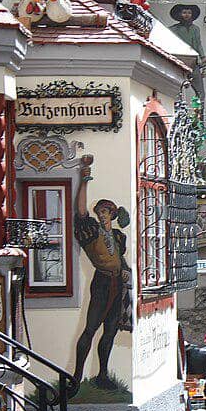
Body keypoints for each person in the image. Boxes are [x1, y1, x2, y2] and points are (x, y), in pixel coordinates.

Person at [72, 163, 133, 391]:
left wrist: (125, 269)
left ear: (112, 215)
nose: (101, 215)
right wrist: (85, 180)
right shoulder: (91, 231)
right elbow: (81, 212)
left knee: (110, 330)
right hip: (102, 282)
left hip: (118, 282)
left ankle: (102, 374)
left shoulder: (117, 236)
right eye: (99, 212)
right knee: (90, 329)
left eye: (105, 212)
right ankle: (77, 377)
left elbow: (119, 257)